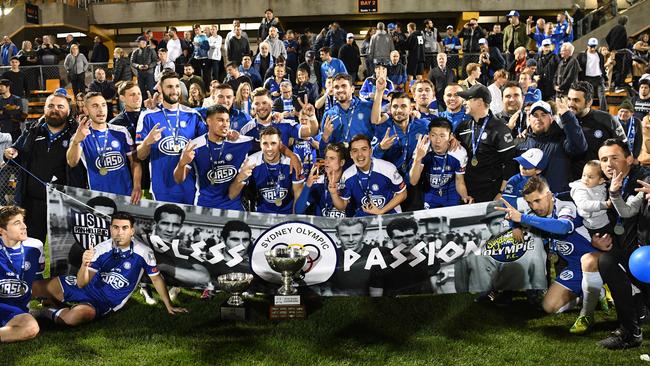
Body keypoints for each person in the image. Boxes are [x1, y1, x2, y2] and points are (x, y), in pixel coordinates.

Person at [33, 212, 187, 326]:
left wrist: (169, 305)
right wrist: (85, 264)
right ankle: (27, 308)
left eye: (125, 228)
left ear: (132, 231)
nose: (120, 232)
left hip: (103, 301)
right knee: (34, 288)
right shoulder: (101, 248)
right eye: (116, 227)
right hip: (85, 286)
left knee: (74, 318)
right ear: (111, 229)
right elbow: (81, 283)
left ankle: (43, 312)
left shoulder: (143, 252)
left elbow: (156, 278)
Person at [497, 176, 606, 335]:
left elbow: (562, 227)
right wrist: (516, 225)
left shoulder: (566, 206)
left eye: (537, 200)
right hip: (575, 268)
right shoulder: (539, 215)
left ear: (548, 194)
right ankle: (593, 293)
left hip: (595, 261)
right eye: (530, 203)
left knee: (589, 263)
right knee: (549, 307)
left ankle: (586, 314)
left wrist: (522, 218)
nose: (534, 206)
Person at [3, 92, 80, 242]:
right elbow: (14, 154)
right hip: (32, 204)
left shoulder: (76, 133)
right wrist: (9, 153)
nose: (55, 109)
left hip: (64, 205)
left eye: (60, 106)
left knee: (63, 256)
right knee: (32, 249)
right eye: (50, 106)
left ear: (68, 111)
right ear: (44, 109)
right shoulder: (32, 130)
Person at [596, 139, 649, 349]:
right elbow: (622, 214)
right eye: (604, 159)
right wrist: (595, 236)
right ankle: (630, 331)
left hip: (645, 253)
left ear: (629, 159)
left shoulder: (643, 178)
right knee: (607, 261)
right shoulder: (607, 184)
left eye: (614, 158)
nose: (609, 164)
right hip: (635, 253)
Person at [136, 72, 207, 204]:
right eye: (169, 87)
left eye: (176, 86)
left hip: (189, 186)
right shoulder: (148, 116)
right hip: (161, 187)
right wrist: (147, 143)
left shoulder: (193, 115)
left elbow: (207, 145)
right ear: (161, 90)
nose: (174, 90)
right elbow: (140, 156)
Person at [174, 104, 252, 210]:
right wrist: (182, 163)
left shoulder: (241, 142)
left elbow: (269, 145)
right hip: (205, 206)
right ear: (208, 121)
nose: (225, 124)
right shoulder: (195, 146)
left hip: (233, 206)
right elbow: (178, 179)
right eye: (220, 120)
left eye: (227, 121)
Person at [67, 92, 141, 201]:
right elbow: (72, 162)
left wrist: (137, 186)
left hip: (126, 196)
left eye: (103, 105)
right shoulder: (81, 135)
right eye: (95, 106)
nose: (101, 110)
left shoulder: (121, 132)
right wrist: (76, 142)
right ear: (86, 110)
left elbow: (135, 161)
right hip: (98, 199)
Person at [455, 84, 517, 202]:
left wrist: (501, 193)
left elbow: (510, 165)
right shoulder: (462, 127)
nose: (464, 103)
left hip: (491, 193)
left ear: (479, 101)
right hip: (466, 193)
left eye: (467, 99)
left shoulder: (499, 128)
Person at [229, 126, 304, 214]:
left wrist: (293, 221)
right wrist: (240, 178)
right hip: (261, 215)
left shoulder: (292, 161)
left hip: (287, 214)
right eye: (265, 143)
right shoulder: (251, 162)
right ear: (260, 144)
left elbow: (298, 195)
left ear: (280, 144)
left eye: (273, 143)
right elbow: (232, 195)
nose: (269, 148)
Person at [330, 134, 407, 217]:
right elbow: (342, 207)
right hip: (364, 220)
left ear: (370, 151)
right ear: (351, 155)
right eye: (355, 151)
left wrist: (381, 211)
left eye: (364, 149)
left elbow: (402, 194)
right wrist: (334, 194)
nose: (360, 154)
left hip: (389, 217)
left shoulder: (387, 168)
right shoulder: (347, 175)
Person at [0, 206, 44, 343]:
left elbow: (37, 279)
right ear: (2, 231)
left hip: (15, 310)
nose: (24, 226)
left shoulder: (36, 247)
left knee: (31, 328)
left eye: (23, 221)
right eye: (16, 223)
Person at [568, 81, 627, 180]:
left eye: (576, 100)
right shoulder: (564, 122)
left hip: (601, 181)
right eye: (569, 99)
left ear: (589, 102)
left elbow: (624, 149)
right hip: (572, 181)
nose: (571, 104)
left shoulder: (606, 120)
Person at [409, 117, 472, 209]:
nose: (437, 141)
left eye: (442, 136)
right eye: (433, 135)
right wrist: (417, 159)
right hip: (430, 194)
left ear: (450, 136)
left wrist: (464, 196)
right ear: (429, 135)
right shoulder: (422, 149)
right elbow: (413, 181)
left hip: (451, 194)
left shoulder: (459, 152)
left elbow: (459, 181)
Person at [371, 88, 429, 176]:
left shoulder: (423, 125)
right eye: (395, 106)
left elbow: (440, 130)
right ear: (390, 109)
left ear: (410, 109)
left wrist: (451, 137)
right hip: (390, 180)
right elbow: (370, 158)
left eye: (403, 106)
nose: (399, 110)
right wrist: (380, 148)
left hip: (417, 178)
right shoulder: (382, 128)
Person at [320, 219, 383, 296]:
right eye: (345, 235)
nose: (351, 240)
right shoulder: (331, 256)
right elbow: (325, 284)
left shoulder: (378, 254)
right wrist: (327, 290)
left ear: (364, 234)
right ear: (337, 236)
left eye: (356, 235)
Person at [319, 74, 376, 155]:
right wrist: (325, 138)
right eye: (336, 87)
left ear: (352, 89)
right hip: (341, 164)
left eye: (344, 86)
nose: (340, 90)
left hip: (364, 160)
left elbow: (378, 135)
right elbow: (323, 153)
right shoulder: (329, 115)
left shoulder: (368, 108)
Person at [295, 142, 351, 217]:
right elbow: (298, 210)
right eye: (326, 158)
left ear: (342, 162)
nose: (327, 162)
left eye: (332, 158)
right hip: (321, 227)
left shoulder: (350, 181)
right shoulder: (317, 181)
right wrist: (307, 186)